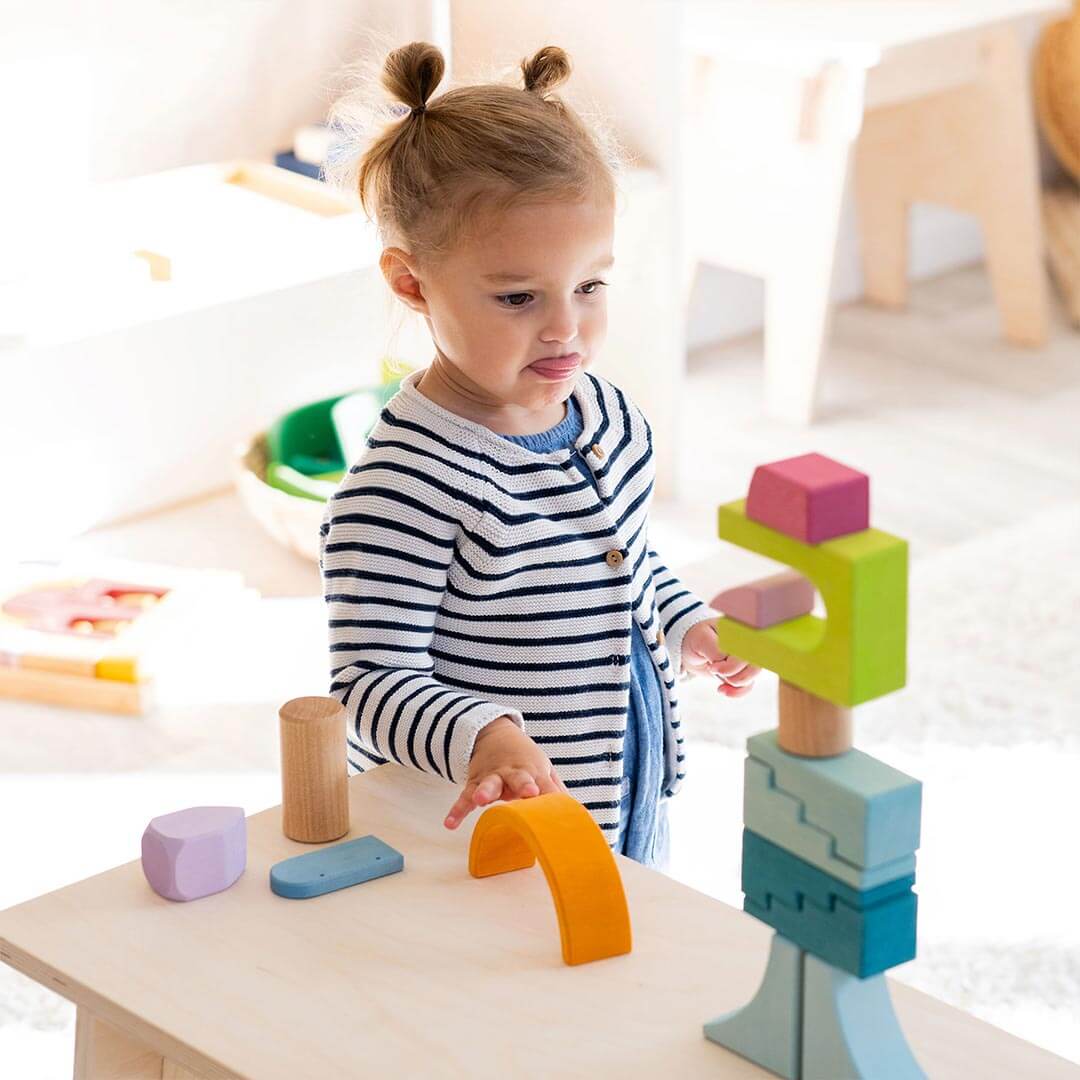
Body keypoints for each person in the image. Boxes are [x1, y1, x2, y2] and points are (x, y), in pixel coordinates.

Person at [318, 40, 759, 869]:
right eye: (519, 297)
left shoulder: (609, 418)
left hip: (617, 788)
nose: (565, 329)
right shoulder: (403, 487)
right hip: (480, 831)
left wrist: (684, 622)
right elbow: (369, 684)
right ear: (412, 284)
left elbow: (619, 563)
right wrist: (483, 734)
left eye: (590, 285)